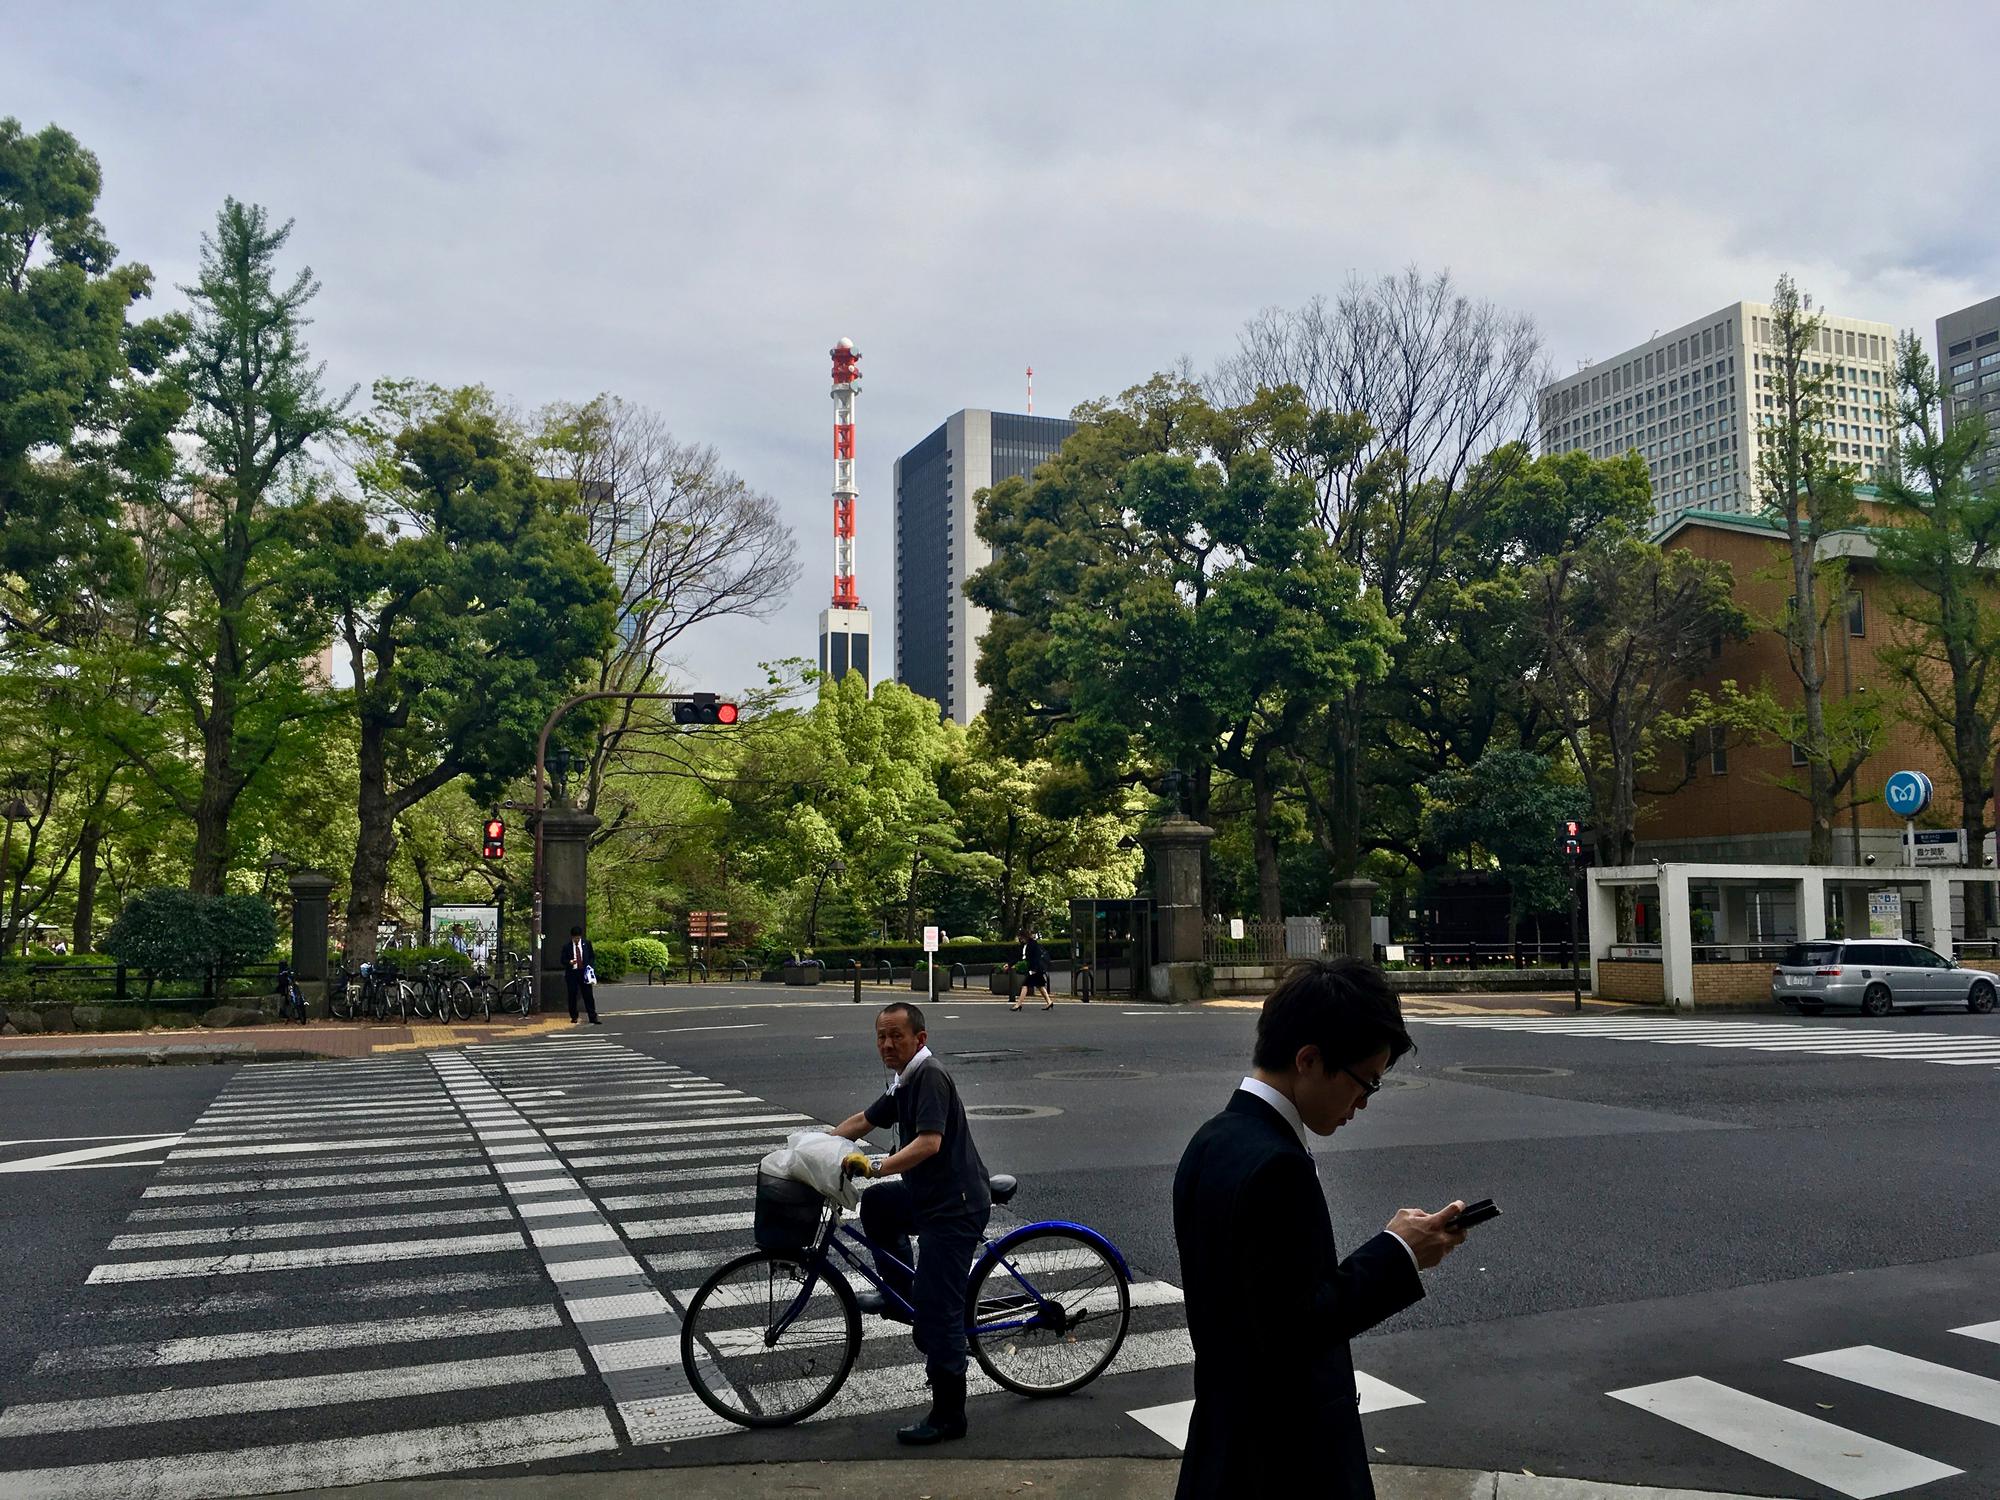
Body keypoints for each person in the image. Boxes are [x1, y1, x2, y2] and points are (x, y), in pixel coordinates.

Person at [1172, 956, 1468, 1499]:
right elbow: (1294, 1328)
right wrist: (1400, 1253)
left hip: (1224, 1442)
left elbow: (1259, 1303)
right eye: (1366, 1083)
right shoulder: (1277, 1165)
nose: (1363, 1103)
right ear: (1309, 1059)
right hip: (1287, 1459)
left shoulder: (1211, 1140)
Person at [829, 1001, 991, 1446]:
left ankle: (948, 1416)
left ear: (919, 1038)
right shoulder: (903, 1079)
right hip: (927, 1197)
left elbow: (929, 1143)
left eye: (896, 1036)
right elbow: (865, 1120)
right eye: (881, 1036)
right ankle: (901, 1291)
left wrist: (875, 1166)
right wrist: (817, 1146)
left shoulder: (929, 1075)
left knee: (939, 1315)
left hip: (954, 1207)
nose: (887, 1044)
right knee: (879, 1206)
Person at [563, 925, 600, 1025]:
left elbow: (592, 956)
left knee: (588, 995)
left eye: (578, 938)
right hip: (572, 973)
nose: (577, 940)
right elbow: (563, 960)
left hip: (584, 972)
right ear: (572, 937)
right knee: (572, 995)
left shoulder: (586, 944)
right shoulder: (567, 947)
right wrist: (569, 962)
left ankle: (593, 1016)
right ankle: (574, 1016)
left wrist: (590, 966)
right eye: (575, 938)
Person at [1011, 926, 1052, 1011]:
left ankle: (1018, 1004)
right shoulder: (1024, 945)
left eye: (1020, 937)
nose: (1019, 939)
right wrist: (1010, 964)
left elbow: (1036, 958)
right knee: (1040, 985)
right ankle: (1049, 1002)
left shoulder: (1033, 944)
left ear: (1024, 936)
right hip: (1034, 969)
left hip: (1035, 969)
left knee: (1025, 985)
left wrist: (1033, 969)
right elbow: (1019, 957)